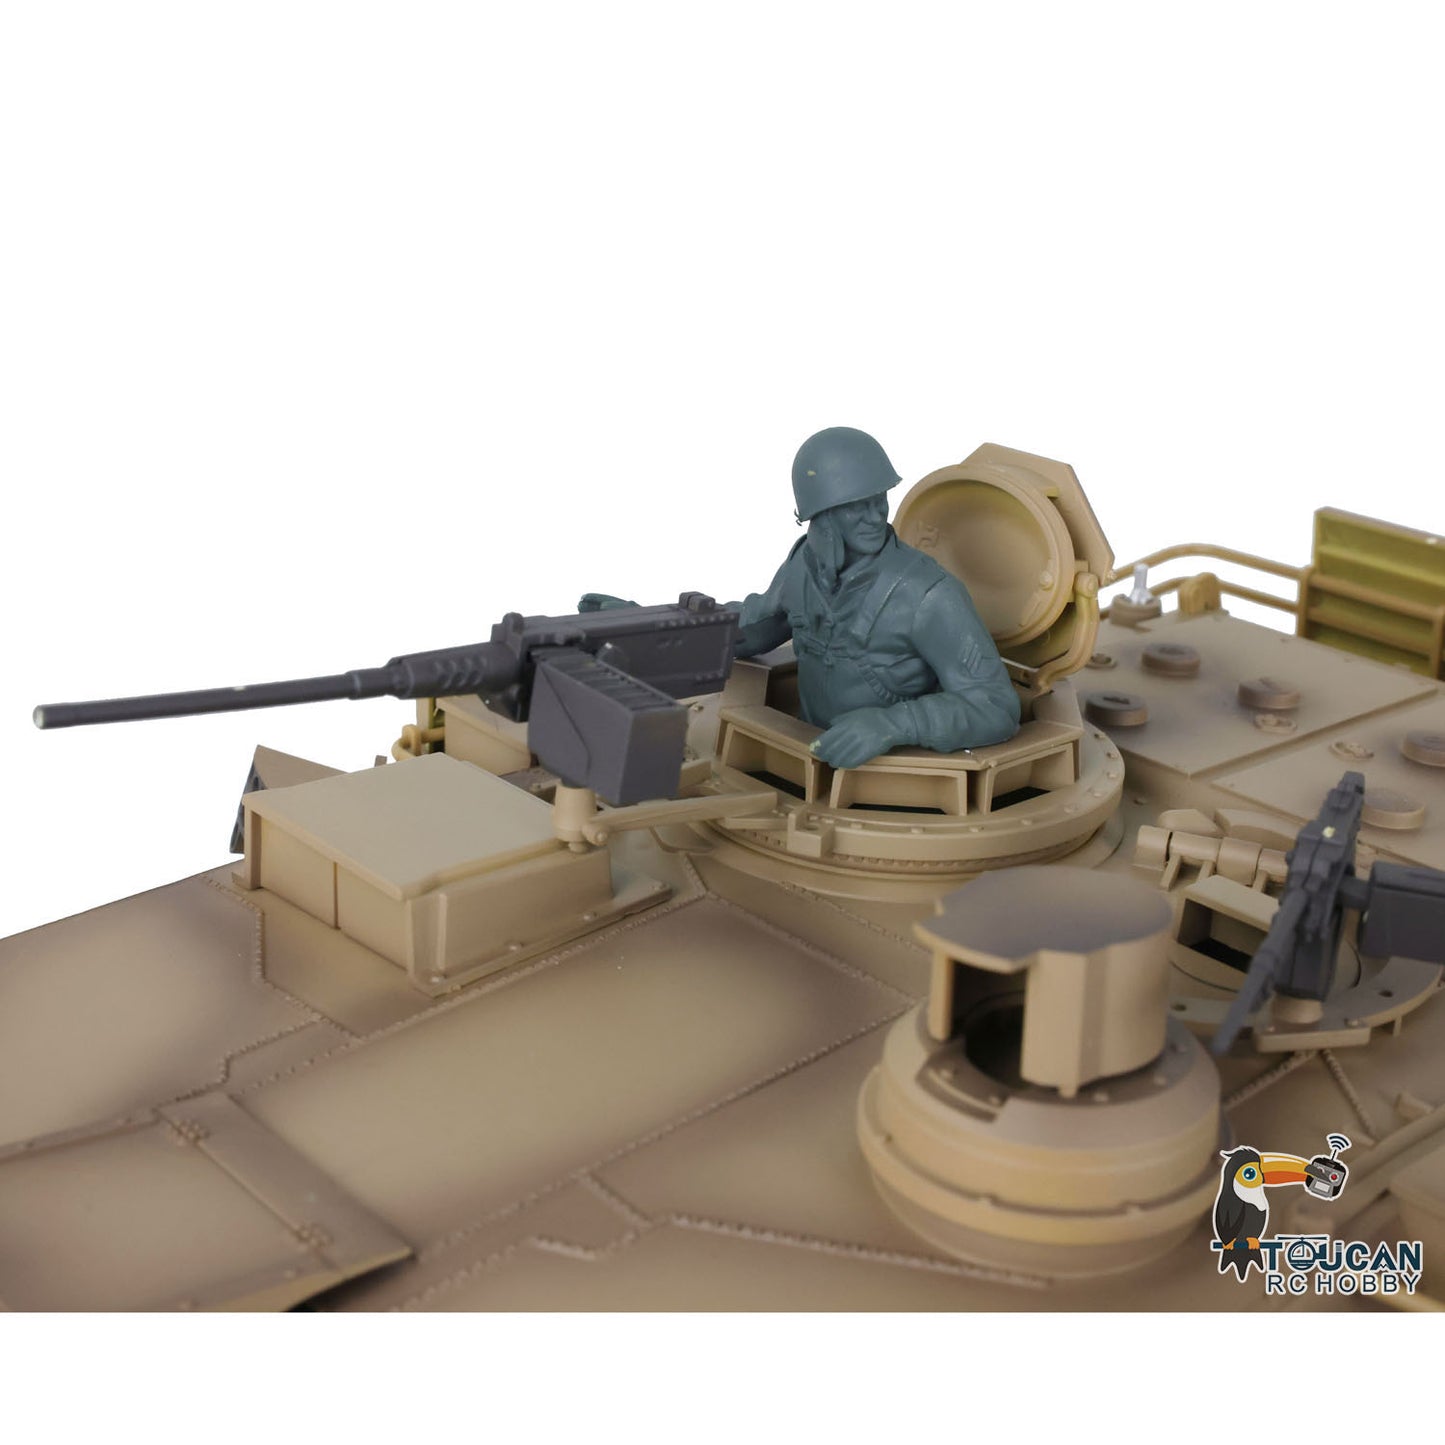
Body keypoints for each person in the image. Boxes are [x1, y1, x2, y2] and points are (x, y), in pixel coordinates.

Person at [582, 426, 1020, 769]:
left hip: (895, 777)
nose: (875, 516)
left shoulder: (930, 595)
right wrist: (649, 625)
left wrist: (893, 723)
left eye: (879, 500)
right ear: (821, 515)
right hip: (805, 758)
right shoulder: (804, 566)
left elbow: (996, 706)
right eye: (857, 505)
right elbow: (754, 629)